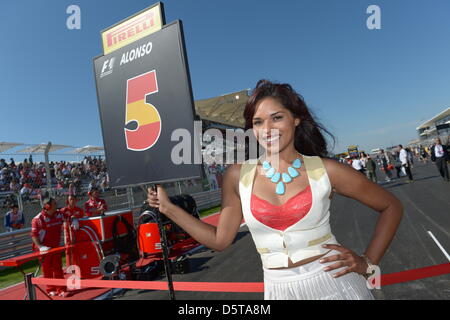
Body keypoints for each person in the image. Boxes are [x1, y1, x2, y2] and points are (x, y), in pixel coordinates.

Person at [147, 80, 403, 300]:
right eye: (258, 122)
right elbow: (220, 240)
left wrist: (367, 263)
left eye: (277, 117)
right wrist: (168, 208)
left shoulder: (327, 170)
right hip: (279, 291)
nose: (267, 129)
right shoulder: (237, 175)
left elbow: (391, 206)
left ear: (296, 118)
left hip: (336, 284)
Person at [31, 197, 67, 297]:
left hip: (55, 247)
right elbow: (34, 235)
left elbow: (68, 216)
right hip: (43, 249)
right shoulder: (38, 219)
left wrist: (74, 220)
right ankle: (50, 289)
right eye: (54, 204)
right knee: (47, 269)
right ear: (47, 206)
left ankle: (61, 289)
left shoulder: (59, 214)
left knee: (58, 268)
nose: (56, 205)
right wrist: (40, 246)